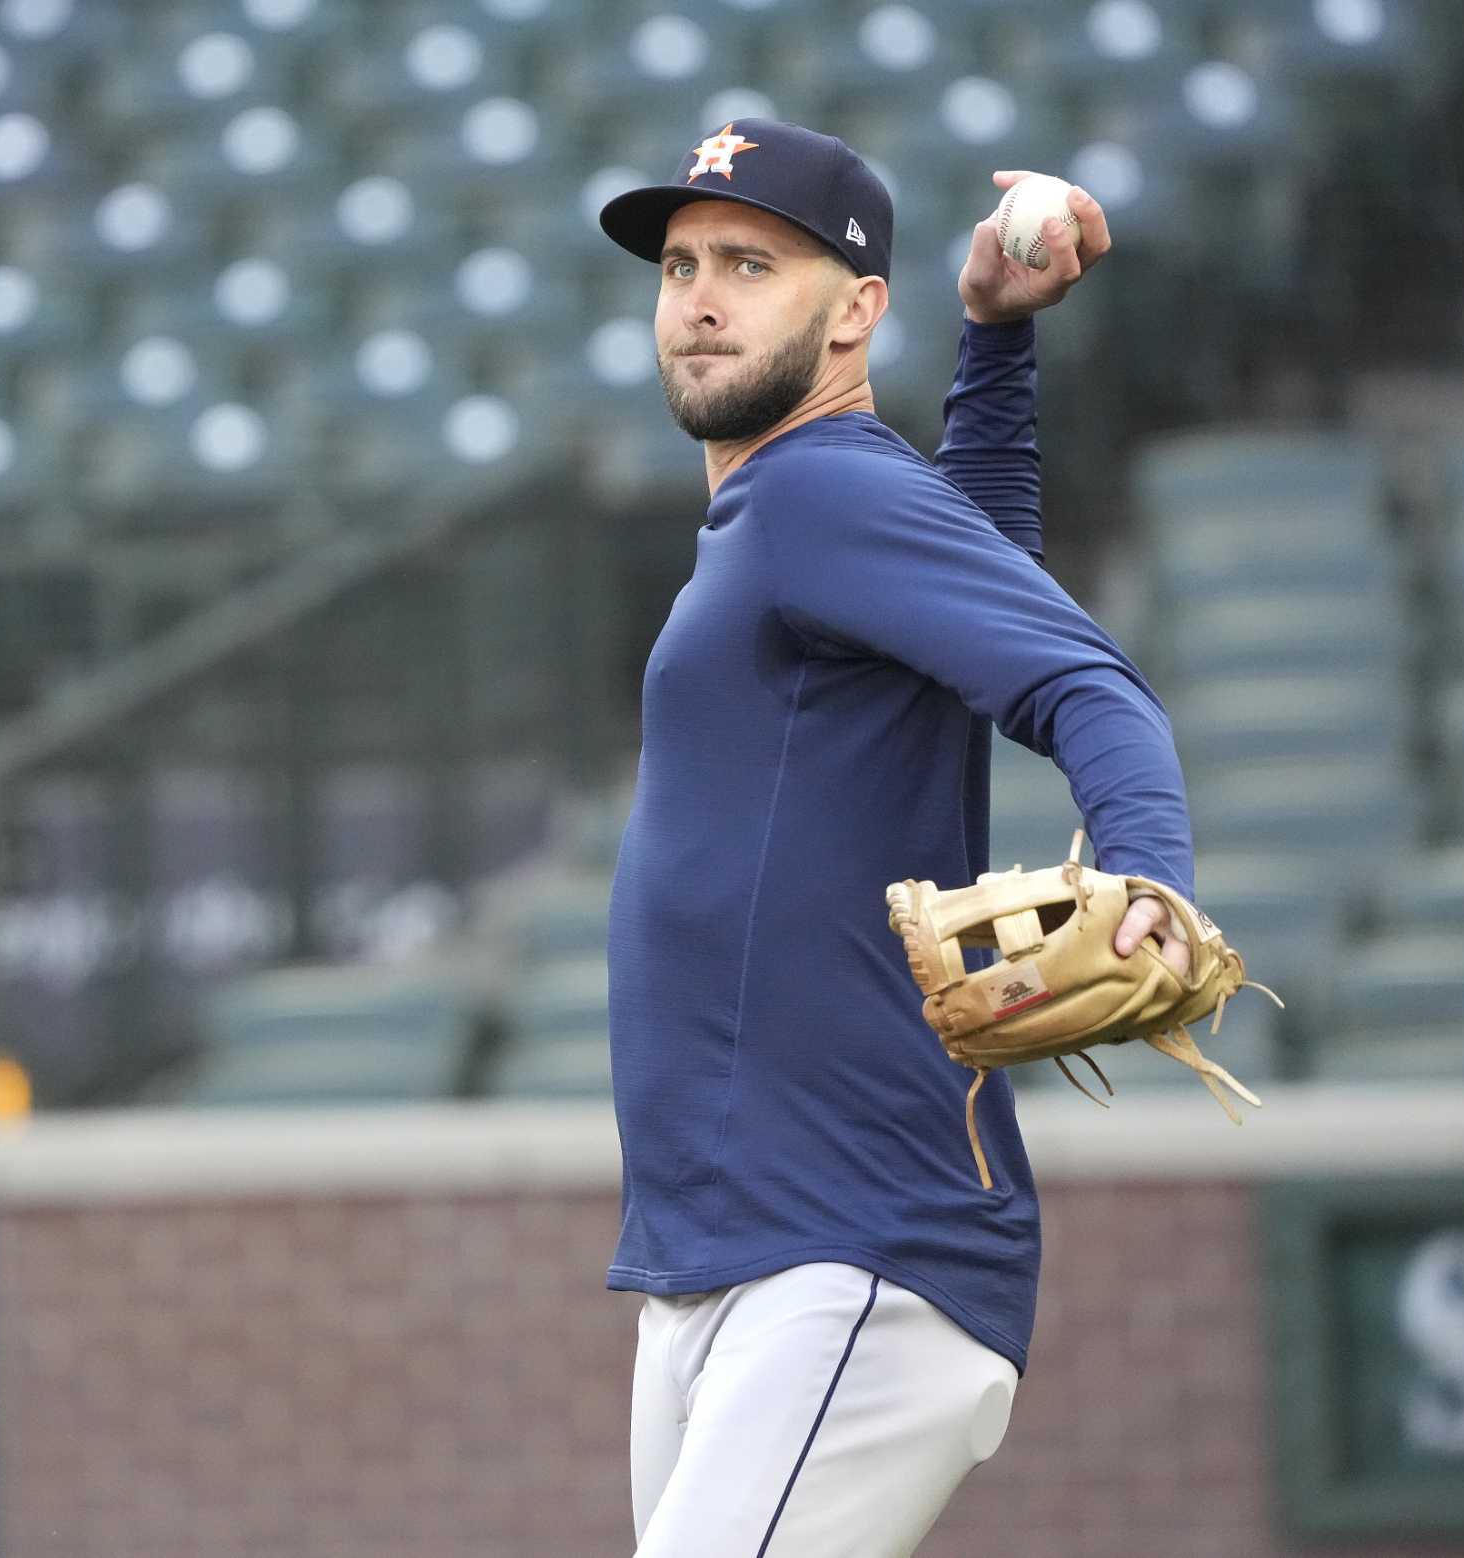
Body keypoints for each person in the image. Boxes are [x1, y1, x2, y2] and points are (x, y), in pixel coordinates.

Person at [596, 119, 1196, 1555]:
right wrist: (996, 344)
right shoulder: (800, 511)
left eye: (751, 260)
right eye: (680, 263)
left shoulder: (818, 492)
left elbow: (1086, 684)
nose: (700, 294)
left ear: (859, 308)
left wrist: (1151, 875)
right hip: (730, 1256)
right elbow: (976, 562)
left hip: (850, 1243)